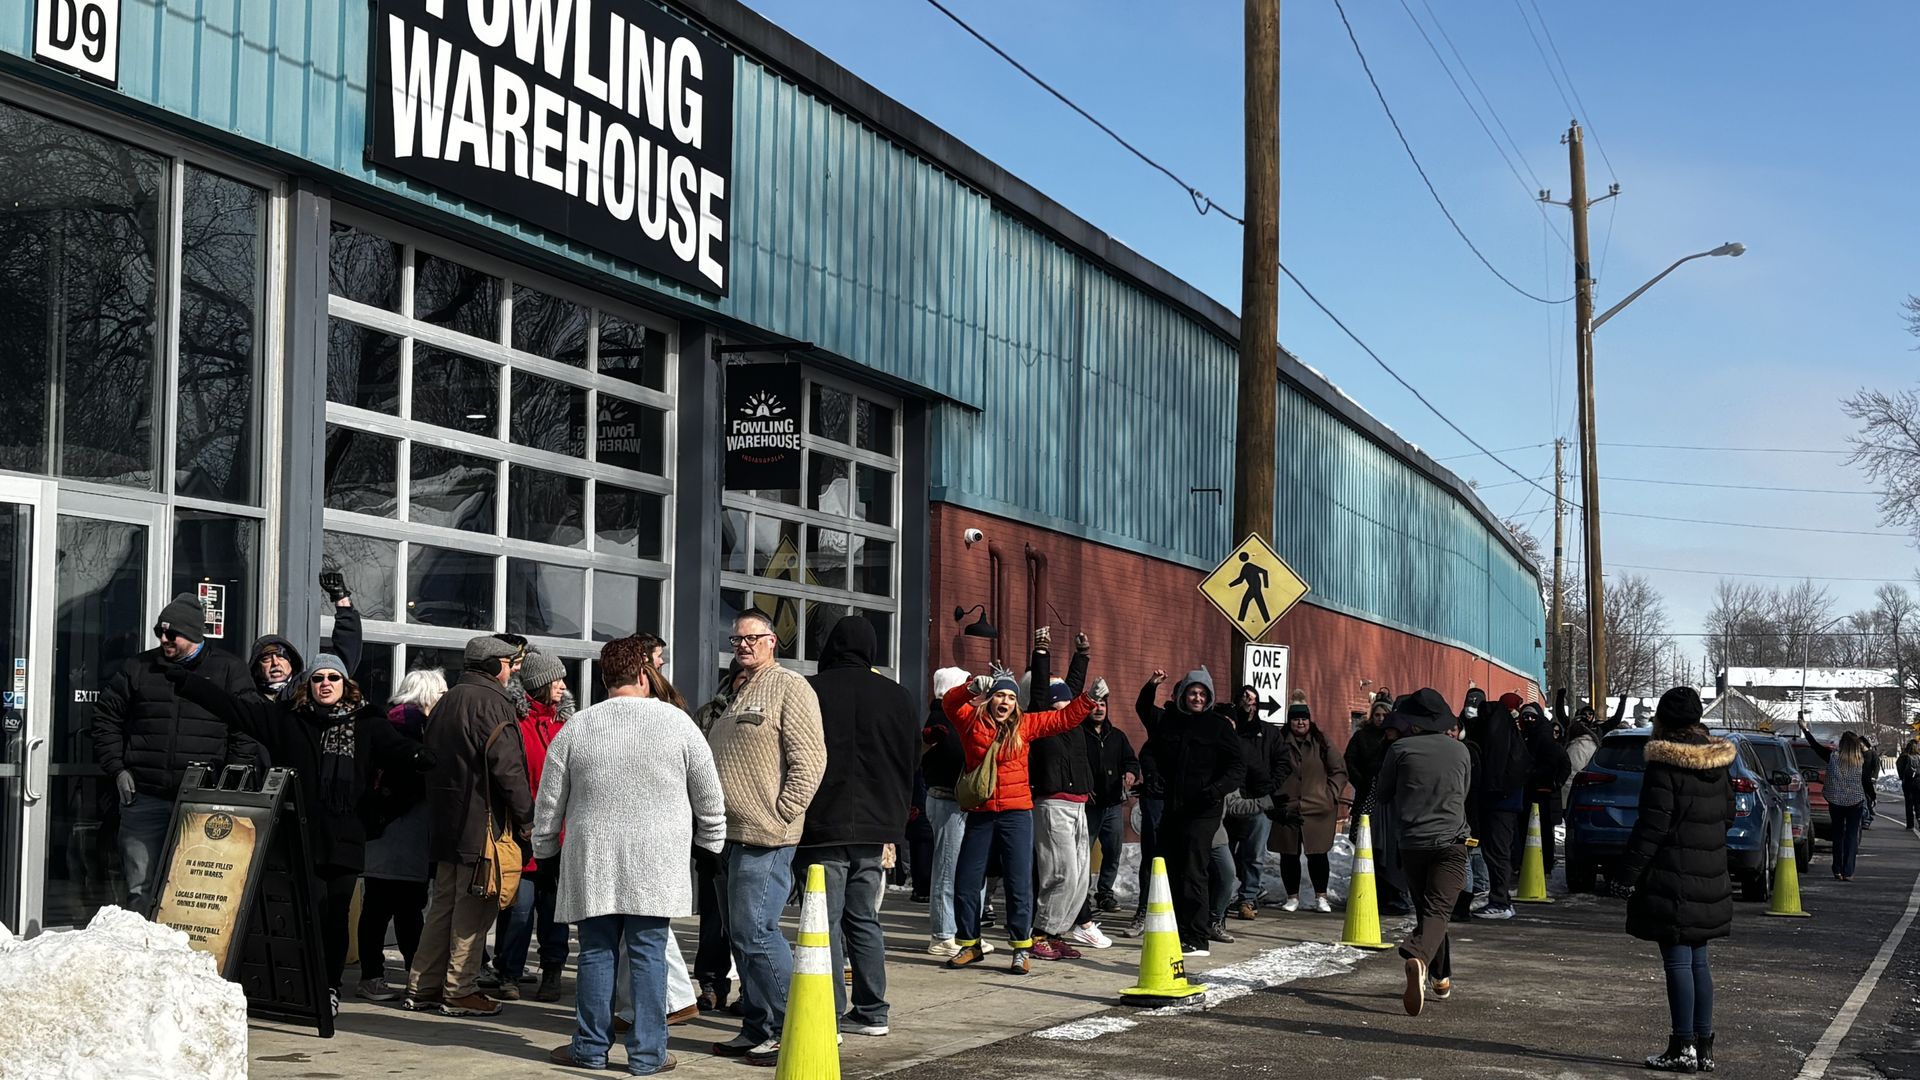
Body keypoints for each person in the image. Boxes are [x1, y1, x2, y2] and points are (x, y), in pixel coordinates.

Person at [169, 652, 434, 1015]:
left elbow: (397, 750)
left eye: (333, 678)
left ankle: (328, 987)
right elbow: (234, 709)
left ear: (346, 685)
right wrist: (187, 682)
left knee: (335, 914)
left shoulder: (367, 722)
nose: (326, 684)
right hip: (300, 836)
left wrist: (419, 758)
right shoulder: (287, 719)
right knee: (303, 913)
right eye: (318, 678)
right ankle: (298, 984)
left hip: (344, 838)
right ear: (308, 685)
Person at [537, 636, 726, 1076]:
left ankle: (590, 1048)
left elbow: (549, 803)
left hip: (592, 858)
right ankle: (647, 1055)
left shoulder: (578, 727)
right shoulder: (678, 724)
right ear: (645, 674)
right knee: (648, 954)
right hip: (657, 861)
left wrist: (545, 854)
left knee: (596, 953)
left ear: (604, 678)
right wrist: (710, 846)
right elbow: (709, 796)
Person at [707, 610, 826, 1065]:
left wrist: (783, 812)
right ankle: (757, 1025)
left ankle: (795, 1027)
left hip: (766, 835)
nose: (743, 645)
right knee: (740, 937)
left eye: (752, 638)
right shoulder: (736, 691)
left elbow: (811, 760)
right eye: (736, 639)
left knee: (757, 932)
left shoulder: (790, 686)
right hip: (729, 835)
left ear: (772, 640)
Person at [91, 593, 257, 912]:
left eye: (172, 633)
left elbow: (246, 728)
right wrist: (117, 768)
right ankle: (141, 943)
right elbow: (105, 717)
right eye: (160, 632)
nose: (164, 639)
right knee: (140, 888)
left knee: (195, 890)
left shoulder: (228, 670)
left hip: (203, 799)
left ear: (193, 633)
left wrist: (229, 784)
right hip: (145, 796)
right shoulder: (139, 667)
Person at [403, 634, 535, 1017]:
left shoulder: (447, 700)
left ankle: (422, 987)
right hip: (483, 828)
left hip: (447, 825)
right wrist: (528, 819)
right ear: (494, 666)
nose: (511, 672)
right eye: (508, 664)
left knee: (442, 907)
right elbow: (508, 771)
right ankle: (460, 991)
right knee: (474, 911)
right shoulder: (492, 703)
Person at [799, 616, 917, 1037]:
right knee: (864, 918)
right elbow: (910, 761)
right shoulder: (898, 696)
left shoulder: (811, 690)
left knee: (823, 922)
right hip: (875, 824)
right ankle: (872, 1011)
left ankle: (827, 1013)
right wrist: (896, 823)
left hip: (822, 823)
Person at [943, 665, 1105, 974]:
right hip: (981, 814)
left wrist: (1088, 699)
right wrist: (970, 688)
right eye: (999, 695)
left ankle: (1020, 948)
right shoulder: (971, 722)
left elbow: (1062, 719)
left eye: (1010, 697)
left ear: (1016, 703)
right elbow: (950, 704)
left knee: (1019, 883)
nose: (1004, 701)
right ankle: (970, 944)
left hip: (1017, 814)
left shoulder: (1025, 725)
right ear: (990, 699)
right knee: (966, 880)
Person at [1612, 687, 1734, 1073]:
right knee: (1699, 959)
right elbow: (1728, 814)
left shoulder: (1664, 764)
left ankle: (1683, 1046)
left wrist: (1627, 875)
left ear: (1662, 719)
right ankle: (1704, 1045)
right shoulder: (1718, 762)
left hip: (1672, 875)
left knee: (1678, 959)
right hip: (1710, 873)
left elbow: (1653, 826)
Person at [1373, 689, 1471, 1016]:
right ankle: (1417, 954)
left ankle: (1440, 977)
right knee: (1438, 910)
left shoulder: (1399, 750)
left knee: (1429, 911)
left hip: (1412, 842)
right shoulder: (1460, 751)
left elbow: (1383, 793)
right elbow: (1464, 791)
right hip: (1451, 841)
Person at [1135, 668, 1244, 956]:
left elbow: (1237, 767)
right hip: (1174, 808)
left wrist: (1216, 789)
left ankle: (1197, 937)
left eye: (1202, 694)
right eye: (1193, 692)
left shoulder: (1218, 726)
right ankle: (1174, 930)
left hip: (1204, 810)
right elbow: (1149, 750)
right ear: (1183, 695)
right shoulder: (1171, 723)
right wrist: (1152, 774)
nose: (1197, 698)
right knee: (1167, 867)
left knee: (1194, 871)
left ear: (1209, 697)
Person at [355, 668, 447, 1002]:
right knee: (404, 909)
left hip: (383, 831)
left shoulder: (385, 722)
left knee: (380, 907)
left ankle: (378, 975)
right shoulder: (414, 730)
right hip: (403, 831)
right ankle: (408, 976)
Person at [489, 650, 572, 1003]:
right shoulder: (517, 725)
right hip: (522, 833)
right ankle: (509, 972)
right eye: (556, 680)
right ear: (539, 684)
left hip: (560, 835)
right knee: (518, 908)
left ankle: (552, 971)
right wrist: (523, 819)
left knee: (554, 911)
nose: (563, 686)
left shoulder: (567, 726)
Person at [1023, 628, 1109, 958]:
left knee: (1080, 877)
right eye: (1057, 698)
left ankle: (1058, 931)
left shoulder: (1074, 724)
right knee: (1061, 872)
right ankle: (1040, 934)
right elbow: (1040, 690)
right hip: (1052, 804)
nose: (1064, 701)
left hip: (1079, 804)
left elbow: (1072, 687)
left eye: (1066, 698)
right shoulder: (1040, 720)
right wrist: (1041, 650)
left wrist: (1082, 655)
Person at [1269, 691, 1344, 914]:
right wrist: (1273, 796)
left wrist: (1330, 795)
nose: (1300, 723)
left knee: (1318, 854)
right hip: (1287, 807)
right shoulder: (1279, 742)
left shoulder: (1321, 741)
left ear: (1309, 720)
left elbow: (1339, 770)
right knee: (1288, 854)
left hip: (1318, 807)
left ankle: (1321, 897)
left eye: (1304, 718)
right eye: (1295, 719)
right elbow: (1268, 769)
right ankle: (1292, 897)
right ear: (1289, 721)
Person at [921, 667, 975, 958]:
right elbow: (955, 757)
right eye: (965, 685)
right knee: (947, 868)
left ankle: (965, 932)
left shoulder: (955, 717)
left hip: (960, 801)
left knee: (963, 868)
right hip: (946, 800)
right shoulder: (941, 719)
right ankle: (942, 933)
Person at [246, 573, 362, 702]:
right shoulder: (247, 698)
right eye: (266, 659)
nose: (275, 663)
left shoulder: (307, 687)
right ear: (256, 668)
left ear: (292, 663)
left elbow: (343, 656)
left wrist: (341, 599)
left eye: (281, 656)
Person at [1228, 684, 1291, 920]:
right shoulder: (1228, 730)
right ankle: (1230, 893)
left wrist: (1271, 787)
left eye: (1253, 701)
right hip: (1231, 799)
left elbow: (1283, 762)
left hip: (1260, 801)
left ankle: (1248, 897)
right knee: (1225, 852)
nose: (1249, 705)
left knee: (1254, 853)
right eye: (1245, 700)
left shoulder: (1269, 733)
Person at [1468, 691, 1531, 920]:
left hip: (1498, 804)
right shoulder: (1511, 737)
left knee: (1496, 853)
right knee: (1499, 852)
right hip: (1506, 803)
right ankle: (1501, 899)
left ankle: (1500, 901)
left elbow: (1494, 770)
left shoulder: (1496, 739)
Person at [1083, 690, 1138, 914]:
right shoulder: (1079, 735)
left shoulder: (1117, 736)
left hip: (1113, 804)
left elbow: (1131, 760)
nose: (1098, 709)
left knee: (1113, 851)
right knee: (1083, 853)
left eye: (1102, 705)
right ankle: (1082, 897)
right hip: (1088, 806)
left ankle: (1105, 893)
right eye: (1094, 705)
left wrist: (1131, 772)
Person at [1801, 720, 1868, 881]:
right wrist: (1871, 796)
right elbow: (1866, 782)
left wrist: (1805, 730)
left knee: (1838, 834)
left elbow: (1815, 746)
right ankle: (1848, 871)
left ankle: (1837, 868)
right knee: (1851, 836)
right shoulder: (1861, 760)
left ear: (1842, 744)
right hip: (1855, 801)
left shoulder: (1833, 757)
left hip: (1835, 801)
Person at [1518, 702, 1571, 876]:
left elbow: (1565, 764)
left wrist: (1555, 783)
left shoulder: (1547, 738)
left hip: (1545, 793)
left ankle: (1545, 863)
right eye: (1525, 717)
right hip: (1526, 792)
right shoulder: (1522, 737)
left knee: (1544, 831)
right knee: (1525, 829)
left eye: (1532, 717)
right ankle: (1526, 862)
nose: (1529, 720)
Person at [1345, 700, 1393, 844]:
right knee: (1360, 834)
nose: (1381, 719)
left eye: (1385, 715)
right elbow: (1349, 761)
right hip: (1366, 791)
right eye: (1377, 715)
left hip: (1387, 793)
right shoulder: (1361, 736)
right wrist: (1360, 781)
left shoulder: (1393, 737)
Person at [1899, 738, 1920, 833]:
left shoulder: (1904, 756)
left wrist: (1902, 777)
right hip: (1918, 782)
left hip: (1908, 782)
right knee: (1918, 803)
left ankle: (1910, 824)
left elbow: (1899, 767)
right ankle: (1919, 818)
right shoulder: (1919, 756)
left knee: (1909, 803)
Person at [1862, 741, 1884, 831]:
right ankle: (1866, 819)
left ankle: (1868, 816)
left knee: (1869, 799)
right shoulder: (1859, 754)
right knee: (1864, 800)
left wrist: (1874, 777)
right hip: (1861, 780)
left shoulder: (1872, 754)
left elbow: (1876, 766)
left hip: (1870, 780)